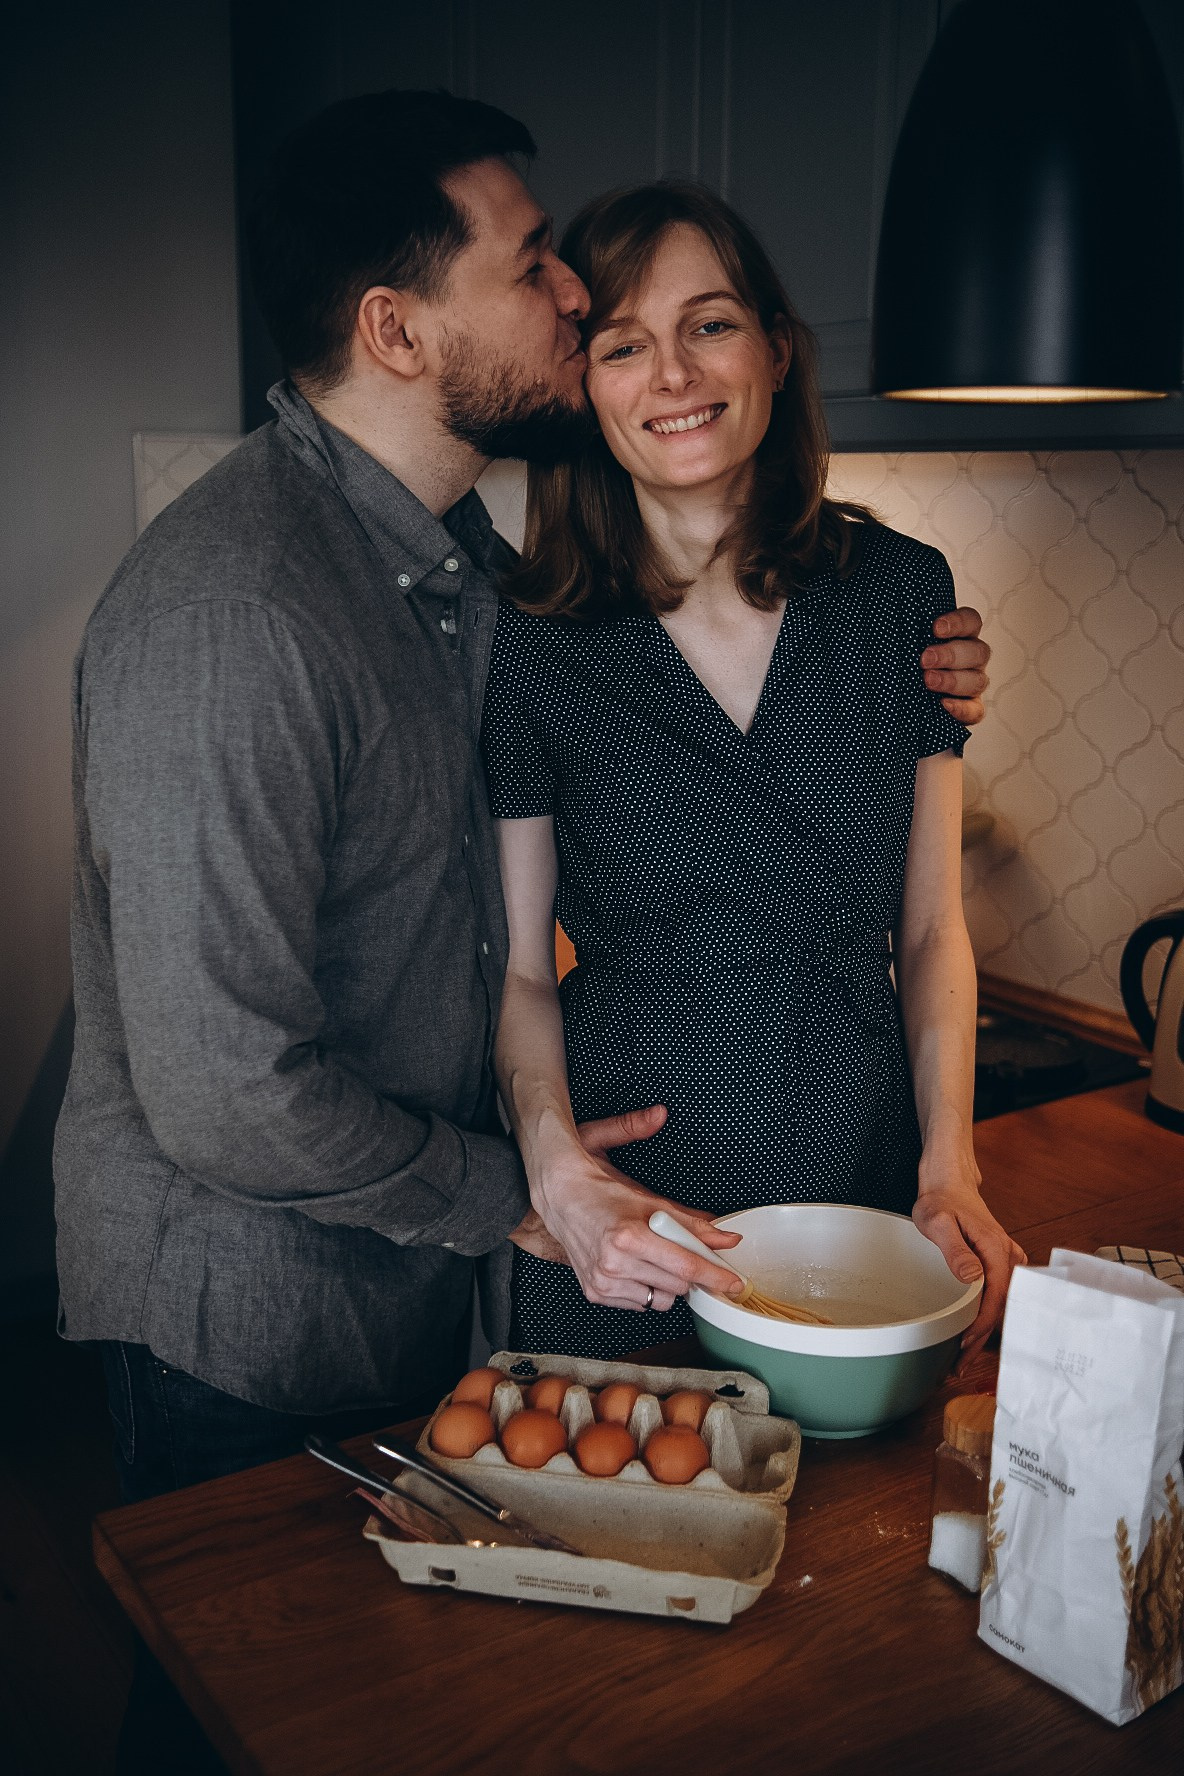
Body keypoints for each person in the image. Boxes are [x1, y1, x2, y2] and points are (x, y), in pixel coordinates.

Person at [56, 94, 992, 1505]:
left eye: (702, 321)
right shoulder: (239, 609)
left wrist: (930, 678)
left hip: (431, 1271)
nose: (574, 298)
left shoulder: (452, 575)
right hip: (256, 1313)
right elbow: (222, 1092)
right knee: (239, 1690)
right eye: (539, 268)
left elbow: (486, 928)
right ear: (397, 330)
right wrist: (525, 1187)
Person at [483, 182, 1023, 1366]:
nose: (672, 374)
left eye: (709, 324)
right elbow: (522, 972)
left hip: (861, 1190)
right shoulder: (532, 641)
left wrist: (951, 1168)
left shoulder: (901, 597)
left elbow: (931, 928)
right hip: (628, 1219)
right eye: (624, 343)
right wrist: (556, 1166)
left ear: (775, 351)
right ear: (585, 386)